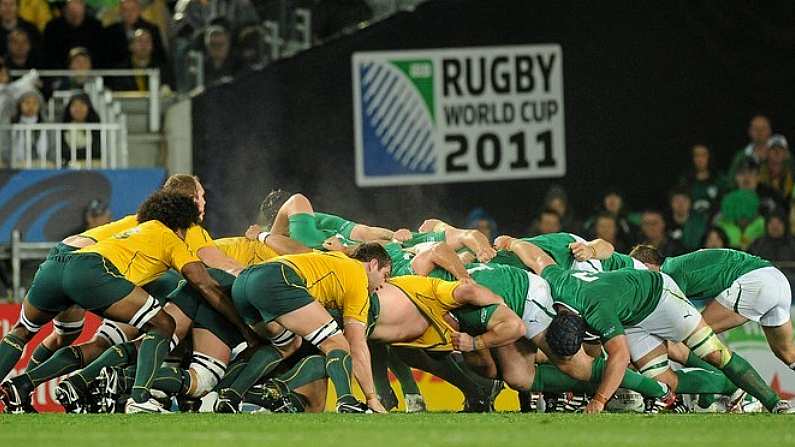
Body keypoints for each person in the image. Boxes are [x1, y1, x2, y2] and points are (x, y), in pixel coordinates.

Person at [0, 191, 253, 414]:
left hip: (57, 264)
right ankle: (139, 398)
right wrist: (244, 327)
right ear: (182, 224)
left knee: (24, 333)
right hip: (90, 270)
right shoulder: (169, 237)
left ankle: (22, 386)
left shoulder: (135, 227)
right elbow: (204, 283)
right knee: (162, 324)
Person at [518, 241, 794, 414]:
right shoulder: (562, 283)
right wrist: (511, 242)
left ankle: (771, 402)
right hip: (634, 317)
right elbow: (538, 258)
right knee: (664, 381)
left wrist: (599, 401)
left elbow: (619, 355)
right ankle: (726, 388)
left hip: (660, 296)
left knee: (709, 349)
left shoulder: (602, 305)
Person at [214, 244, 392, 413]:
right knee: (337, 343)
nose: (384, 283)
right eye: (385, 275)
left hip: (244, 282)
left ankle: (231, 395)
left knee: (286, 344)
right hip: (276, 278)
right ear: (373, 264)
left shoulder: (336, 259)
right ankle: (347, 402)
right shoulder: (359, 277)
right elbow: (356, 343)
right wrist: (371, 398)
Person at [631, 246, 795, 383]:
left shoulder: (670, 273)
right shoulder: (681, 265)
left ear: (647, 265)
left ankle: (735, 392)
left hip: (756, 282)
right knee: (786, 353)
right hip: (777, 278)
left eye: (637, 271)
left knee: (695, 336)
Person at [100, 0, 165, 67]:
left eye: (133, 9)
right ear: (120, 12)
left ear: (139, 10)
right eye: (125, 10)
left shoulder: (152, 29)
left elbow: (160, 56)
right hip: (119, 72)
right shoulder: (110, 31)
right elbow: (105, 57)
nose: (129, 13)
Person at [42, 0, 103, 68]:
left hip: (92, 73)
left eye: (80, 2)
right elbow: (49, 57)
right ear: (65, 5)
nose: (77, 5)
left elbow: (101, 56)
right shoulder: (52, 28)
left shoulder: (95, 27)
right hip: (61, 74)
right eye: (74, 1)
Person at [678, 144, 723, 218]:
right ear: (692, 158)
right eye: (697, 155)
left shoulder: (719, 179)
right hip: (691, 221)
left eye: (703, 155)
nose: (700, 159)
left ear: (709, 157)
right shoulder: (685, 180)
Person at [9, 86, 49, 167]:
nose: (31, 106)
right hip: (14, 165)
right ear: (20, 105)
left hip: (41, 165)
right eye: (27, 102)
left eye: (34, 103)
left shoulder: (47, 126)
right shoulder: (10, 124)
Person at [727, 115, 773, 182]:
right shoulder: (741, 156)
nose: (759, 132)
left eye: (763, 128)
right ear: (750, 131)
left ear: (770, 131)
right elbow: (731, 181)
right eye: (755, 129)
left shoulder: (782, 155)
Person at [61, 92, 101, 166]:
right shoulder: (61, 128)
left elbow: (97, 151)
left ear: (88, 107)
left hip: (92, 166)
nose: (78, 109)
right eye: (74, 105)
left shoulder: (97, 127)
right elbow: (61, 152)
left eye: (82, 105)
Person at [666, 187, 707, 252]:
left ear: (690, 203)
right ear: (671, 203)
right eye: (677, 201)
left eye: (684, 201)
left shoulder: (699, 223)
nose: (681, 205)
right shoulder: (664, 222)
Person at [759, 135, 792, 208]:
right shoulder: (757, 174)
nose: (777, 152)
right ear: (766, 153)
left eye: (781, 149)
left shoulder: (792, 176)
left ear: (787, 154)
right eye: (773, 149)